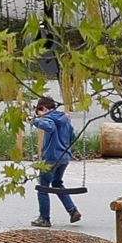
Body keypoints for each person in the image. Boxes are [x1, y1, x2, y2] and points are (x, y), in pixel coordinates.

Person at [31, 94, 86, 225]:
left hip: (51, 157)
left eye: (40, 114)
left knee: (43, 187)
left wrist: (34, 121)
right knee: (57, 183)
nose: (41, 117)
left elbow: (49, 127)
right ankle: (72, 210)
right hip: (64, 157)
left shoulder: (49, 118)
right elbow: (72, 137)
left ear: (43, 109)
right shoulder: (65, 119)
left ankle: (44, 218)